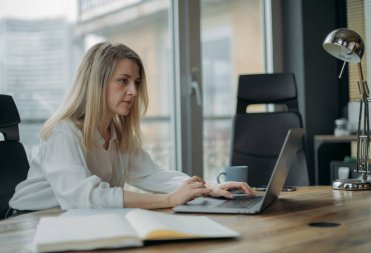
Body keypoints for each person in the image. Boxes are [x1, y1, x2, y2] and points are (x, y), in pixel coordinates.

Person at [9, 42, 254, 213]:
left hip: (74, 219)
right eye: (123, 81)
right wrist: (168, 200)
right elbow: (83, 197)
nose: (133, 92)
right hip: (30, 221)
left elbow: (152, 175)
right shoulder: (63, 133)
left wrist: (207, 188)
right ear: (97, 84)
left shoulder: (117, 134)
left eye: (136, 82)